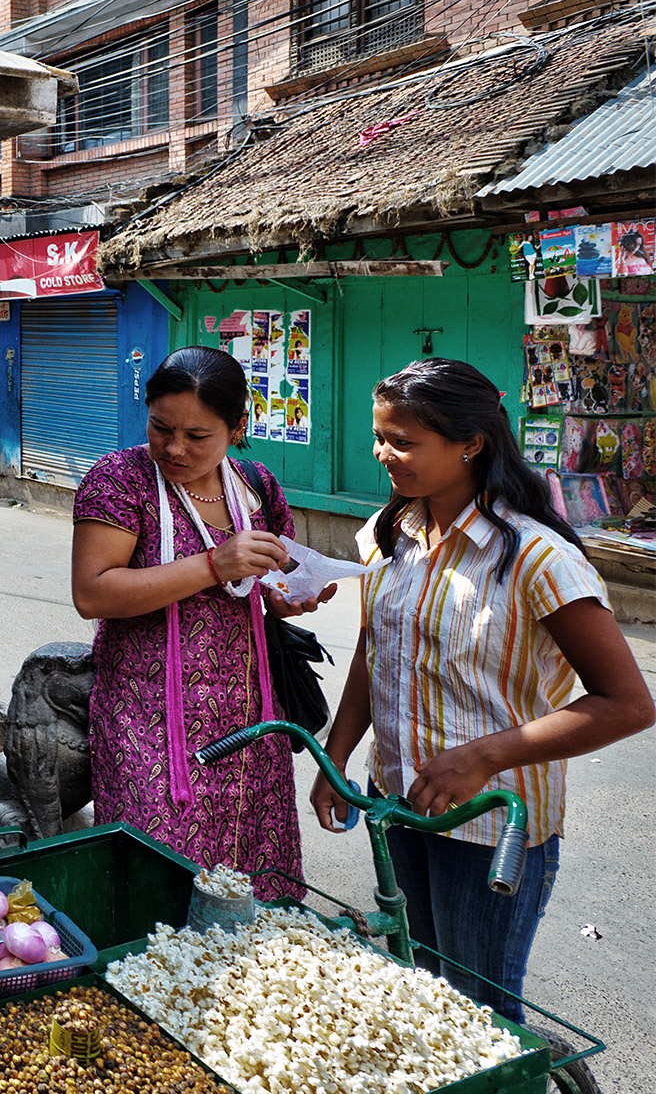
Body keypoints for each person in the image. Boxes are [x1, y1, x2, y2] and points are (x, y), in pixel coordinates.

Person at [312, 358, 653, 1021]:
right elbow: (375, 655)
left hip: (492, 827)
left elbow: (628, 704)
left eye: (403, 441)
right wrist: (339, 752)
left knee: (480, 1013)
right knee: (421, 989)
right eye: (379, 437)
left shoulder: (537, 558)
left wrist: (484, 756)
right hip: (399, 808)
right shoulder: (389, 535)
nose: (384, 453)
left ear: (470, 443)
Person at [70, 346, 331, 900]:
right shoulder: (122, 481)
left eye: (197, 435)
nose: (174, 447)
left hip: (247, 718)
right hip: (149, 719)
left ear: (237, 428)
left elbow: (269, 586)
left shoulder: (256, 486)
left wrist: (293, 596)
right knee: (157, 883)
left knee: (250, 884)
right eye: (161, 427)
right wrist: (214, 564)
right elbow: (93, 593)